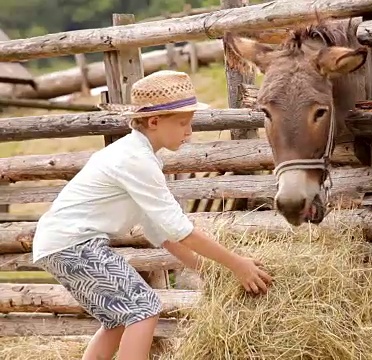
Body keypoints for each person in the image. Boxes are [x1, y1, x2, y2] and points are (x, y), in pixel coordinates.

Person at [31, 70, 273, 360]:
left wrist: (206, 270)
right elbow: (181, 230)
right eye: (183, 123)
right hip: (74, 244)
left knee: (119, 319)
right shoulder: (136, 160)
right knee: (144, 308)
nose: (189, 132)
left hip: (60, 244)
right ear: (154, 121)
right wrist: (237, 264)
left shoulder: (140, 157)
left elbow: (159, 231)